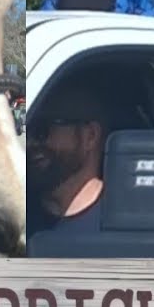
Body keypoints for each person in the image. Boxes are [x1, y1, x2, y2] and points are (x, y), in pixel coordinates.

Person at [27, 76, 109, 237]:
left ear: (90, 136)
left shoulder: (127, 225)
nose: (30, 142)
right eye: (27, 130)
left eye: (41, 130)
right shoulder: (17, 220)